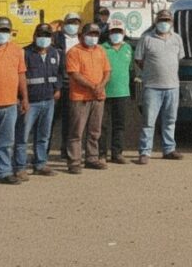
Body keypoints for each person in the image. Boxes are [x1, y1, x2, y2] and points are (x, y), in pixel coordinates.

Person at [136, 9, 185, 164]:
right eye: (161, 20)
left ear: (171, 23)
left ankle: (169, 149)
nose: (164, 23)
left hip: (172, 86)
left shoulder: (177, 39)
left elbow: (179, 58)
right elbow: (138, 59)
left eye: (167, 20)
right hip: (152, 87)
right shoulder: (146, 39)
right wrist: (151, 71)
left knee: (170, 120)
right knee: (149, 122)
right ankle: (145, 152)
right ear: (156, 22)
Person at [14, 23, 60, 179]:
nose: (44, 38)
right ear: (34, 36)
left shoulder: (55, 53)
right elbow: (19, 77)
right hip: (30, 102)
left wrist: (57, 88)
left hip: (48, 101)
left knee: (43, 135)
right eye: (41, 35)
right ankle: (20, 167)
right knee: (22, 136)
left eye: (47, 35)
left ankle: (40, 164)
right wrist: (22, 99)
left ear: (51, 38)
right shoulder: (25, 53)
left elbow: (59, 73)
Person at [65, 22, 111, 174]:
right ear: (81, 36)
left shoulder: (101, 50)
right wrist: (93, 86)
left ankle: (92, 158)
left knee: (95, 130)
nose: (93, 37)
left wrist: (101, 86)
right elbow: (74, 74)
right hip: (80, 97)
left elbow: (107, 71)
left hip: (98, 97)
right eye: (90, 34)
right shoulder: (74, 52)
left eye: (95, 34)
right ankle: (74, 162)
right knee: (76, 132)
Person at [0, 17, 29, 185]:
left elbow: (21, 75)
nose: (2, 34)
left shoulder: (16, 50)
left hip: (10, 104)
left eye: (6, 30)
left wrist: (25, 98)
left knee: (6, 142)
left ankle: (3, 172)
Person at [99, 20, 133, 164]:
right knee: (102, 125)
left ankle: (117, 153)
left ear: (124, 33)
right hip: (104, 92)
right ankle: (101, 154)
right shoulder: (102, 48)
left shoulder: (128, 48)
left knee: (119, 125)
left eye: (119, 31)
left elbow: (131, 69)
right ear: (109, 33)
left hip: (122, 92)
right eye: (113, 31)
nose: (116, 34)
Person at [52, 12, 82, 160]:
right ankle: (42, 154)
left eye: (76, 23)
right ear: (64, 24)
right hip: (60, 83)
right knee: (52, 120)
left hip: (76, 84)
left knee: (71, 119)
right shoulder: (56, 38)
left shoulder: (82, 39)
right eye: (70, 22)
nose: (73, 26)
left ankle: (67, 150)